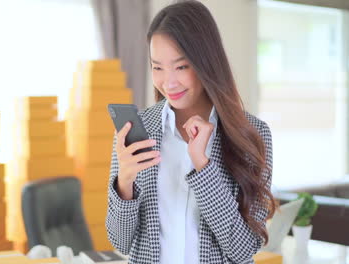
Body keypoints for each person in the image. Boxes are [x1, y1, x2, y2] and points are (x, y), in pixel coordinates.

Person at [105, 1, 276, 264]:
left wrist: (202, 165)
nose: (168, 82)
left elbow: (242, 251)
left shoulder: (252, 134)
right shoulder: (139, 129)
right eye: (158, 67)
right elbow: (120, 242)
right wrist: (124, 184)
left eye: (181, 66)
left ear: (207, 62)